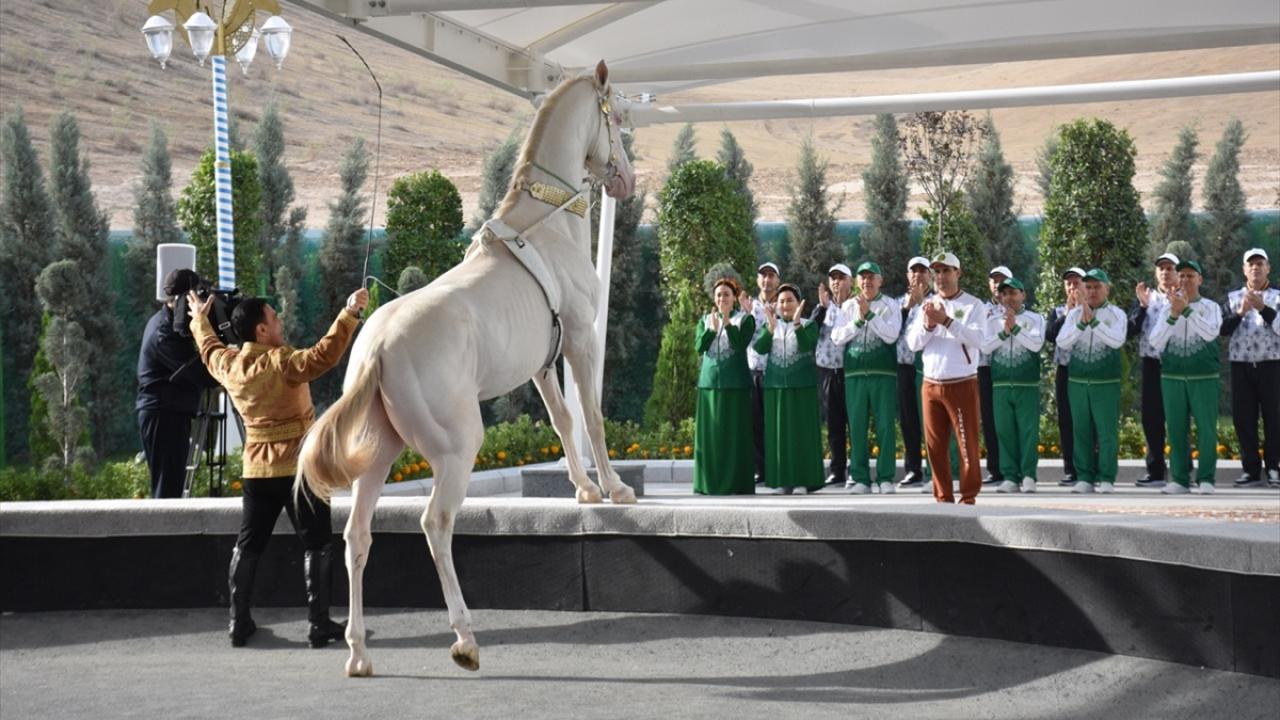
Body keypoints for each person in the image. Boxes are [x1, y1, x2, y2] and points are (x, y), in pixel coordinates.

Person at [188, 285, 369, 648]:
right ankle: (318, 625)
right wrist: (349, 314)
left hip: (256, 473)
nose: (279, 320)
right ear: (261, 330)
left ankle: (239, 623)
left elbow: (208, 350)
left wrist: (198, 319)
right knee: (317, 544)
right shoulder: (282, 362)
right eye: (274, 317)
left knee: (249, 545)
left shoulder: (230, 364)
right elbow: (324, 355)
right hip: (300, 470)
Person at [906, 252, 986, 505]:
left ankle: (968, 496)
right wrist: (929, 324)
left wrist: (947, 321)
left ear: (958, 273)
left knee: (966, 445)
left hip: (961, 383)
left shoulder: (973, 305)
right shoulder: (927, 304)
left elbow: (979, 340)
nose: (941, 277)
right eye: (937, 272)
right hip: (931, 384)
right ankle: (943, 497)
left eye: (946, 271)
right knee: (935, 447)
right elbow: (912, 343)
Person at [136, 268, 218, 499]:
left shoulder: (169, 323)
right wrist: (230, 366)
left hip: (169, 412)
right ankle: (165, 535)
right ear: (186, 300)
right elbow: (202, 374)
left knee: (170, 484)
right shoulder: (164, 333)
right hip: (162, 415)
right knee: (167, 489)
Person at [1147, 259, 1223, 495]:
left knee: (1207, 429)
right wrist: (1173, 315)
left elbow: (1210, 333)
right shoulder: (1166, 308)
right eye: (1182, 276)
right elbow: (1155, 342)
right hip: (1172, 376)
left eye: (1191, 276)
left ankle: (1206, 479)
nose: (1185, 280)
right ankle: (1179, 479)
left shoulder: (1211, 307)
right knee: (1177, 429)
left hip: (1204, 377)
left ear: (1200, 279)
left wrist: (1187, 310)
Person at [831, 261, 902, 494]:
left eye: (872, 277)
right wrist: (859, 319)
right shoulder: (848, 306)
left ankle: (885, 478)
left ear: (880, 280)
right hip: (854, 374)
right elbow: (837, 337)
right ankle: (860, 478)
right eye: (863, 277)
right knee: (857, 427)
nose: (867, 281)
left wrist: (870, 315)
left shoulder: (891, 305)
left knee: (884, 427)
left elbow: (891, 336)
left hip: (884, 373)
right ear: (858, 281)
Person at [1054, 268, 1127, 494]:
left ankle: (1106, 477)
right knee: (1081, 430)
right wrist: (1081, 323)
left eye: (1097, 286)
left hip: (1105, 382)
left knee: (1106, 432)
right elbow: (1062, 342)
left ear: (1107, 288)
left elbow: (1116, 341)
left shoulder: (1117, 314)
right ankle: (1084, 477)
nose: (1093, 291)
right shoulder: (1074, 314)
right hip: (1077, 381)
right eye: (1089, 287)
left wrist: (1094, 322)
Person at [753, 284, 824, 494]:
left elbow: (806, 345)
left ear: (798, 303)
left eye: (790, 300)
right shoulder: (771, 325)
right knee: (778, 435)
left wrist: (797, 325)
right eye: (781, 301)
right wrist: (770, 330)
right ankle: (782, 481)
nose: (785, 305)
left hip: (802, 388)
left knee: (802, 435)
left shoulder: (808, 324)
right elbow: (760, 348)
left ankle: (803, 481)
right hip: (775, 388)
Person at [1220, 248, 1280, 488]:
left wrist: (1263, 308)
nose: (1255, 268)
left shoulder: (1277, 296)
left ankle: (1274, 468)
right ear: (1244, 269)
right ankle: (1251, 470)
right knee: (1244, 419)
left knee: (1274, 418)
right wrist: (1241, 311)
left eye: (1260, 264)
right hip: (1241, 365)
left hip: (1272, 364)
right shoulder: (1234, 297)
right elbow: (1222, 329)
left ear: (1268, 268)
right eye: (1251, 264)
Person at [693, 277, 756, 495]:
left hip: (736, 384)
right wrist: (711, 330)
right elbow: (699, 347)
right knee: (711, 437)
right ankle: (708, 483)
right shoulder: (705, 319)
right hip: (709, 384)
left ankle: (736, 483)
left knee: (734, 436)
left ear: (734, 298)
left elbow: (740, 345)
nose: (722, 299)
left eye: (726, 295)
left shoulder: (745, 319)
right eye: (719, 295)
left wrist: (727, 324)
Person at [981, 277, 1044, 493]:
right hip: (1000, 384)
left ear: (1023, 294)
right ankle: (1009, 476)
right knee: (1004, 431)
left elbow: (1036, 345)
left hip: (1026, 384)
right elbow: (985, 347)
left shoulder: (1035, 319)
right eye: (1005, 293)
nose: (1009, 297)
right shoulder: (991, 320)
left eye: (1013, 293)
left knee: (1028, 432)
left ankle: (1028, 476)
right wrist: (1003, 332)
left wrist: (1015, 329)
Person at [1127, 252, 1180, 487]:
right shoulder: (1146, 298)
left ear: (1177, 273)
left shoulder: (1185, 297)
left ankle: (1181, 470)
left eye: (1170, 268)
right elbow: (1129, 330)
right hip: (1151, 363)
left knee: (1178, 418)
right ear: (1156, 273)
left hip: (1178, 364)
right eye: (1161, 268)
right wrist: (1141, 306)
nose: (1166, 272)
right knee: (1152, 418)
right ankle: (1156, 471)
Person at [1044, 267, 1086, 486]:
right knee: (1066, 421)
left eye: (1076, 283)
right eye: (1069, 284)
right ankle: (1070, 469)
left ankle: (1090, 467)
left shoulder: (1093, 309)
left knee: (1087, 420)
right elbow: (1050, 335)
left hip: (1086, 371)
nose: (1072, 287)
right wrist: (1069, 315)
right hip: (1065, 370)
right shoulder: (1059, 311)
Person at [813, 263, 852, 486]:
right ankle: (837, 470)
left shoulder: (856, 305)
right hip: (827, 371)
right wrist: (822, 308)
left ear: (850, 281)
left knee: (854, 423)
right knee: (834, 424)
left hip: (850, 372)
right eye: (833, 278)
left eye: (841, 277)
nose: (837, 281)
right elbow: (810, 331)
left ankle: (857, 470)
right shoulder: (823, 308)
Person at [895, 257, 932, 489]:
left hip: (927, 368)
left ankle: (934, 468)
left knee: (930, 420)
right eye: (913, 271)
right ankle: (913, 469)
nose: (917, 275)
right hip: (903, 367)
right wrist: (908, 307)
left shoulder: (936, 301)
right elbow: (891, 331)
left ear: (929, 275)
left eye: (922, 271)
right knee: (908, 421)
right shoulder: (897, 303)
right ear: (908, 275)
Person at [746, 262, 782, 485]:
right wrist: (749, 314)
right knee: (756, 424)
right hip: (753, 370)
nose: (767, 280)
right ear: (758, 280)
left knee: (775, 424)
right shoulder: (748, 305)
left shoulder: (785, 303)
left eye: (771, 276)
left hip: (775, 371)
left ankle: (777, 468)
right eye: (763, 276)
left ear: (777, 280)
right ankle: (760, 470)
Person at [978, 266, 1012, 486]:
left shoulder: (1017, 307)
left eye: (1001, 280)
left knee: (1007, 419)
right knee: (989, 418)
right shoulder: (981, 309)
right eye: (994, 281)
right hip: (985, 367)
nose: (997, 285)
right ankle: (995, 468)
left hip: (1008, 368)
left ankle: (1011, 466)